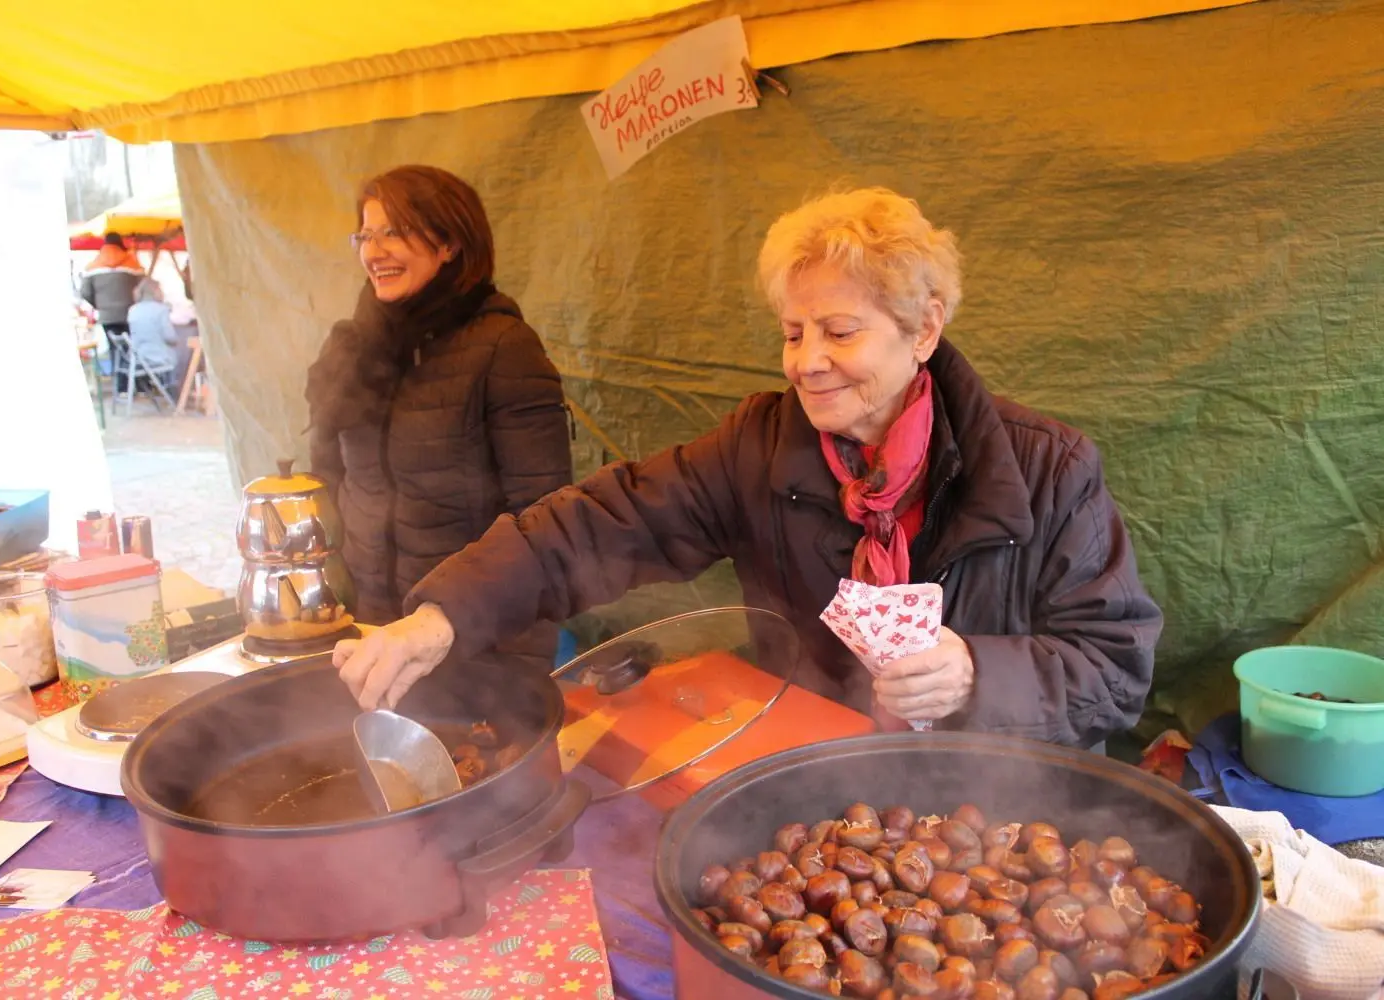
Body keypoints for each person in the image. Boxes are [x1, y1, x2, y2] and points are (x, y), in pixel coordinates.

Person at [333, 187, 1164, 750]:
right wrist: (441, 616)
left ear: (922, 330)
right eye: (792, 333)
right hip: (813, 771)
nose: (807, 363)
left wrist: (976, 673)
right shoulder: (760, 448)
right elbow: (597, 522)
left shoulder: (1047, 469)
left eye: (839, 331)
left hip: (1000, 806)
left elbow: (1116, 670)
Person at [307, 165, 573, 669]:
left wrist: (510, 651)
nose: (374, 250)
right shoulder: (355, 349)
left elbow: (543, 515)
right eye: (365, 235)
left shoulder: (502, 346)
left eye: (394, 232)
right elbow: (328, 479)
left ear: (450, 243)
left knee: (465, 751)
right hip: (369, 622)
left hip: (474, 634)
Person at [79, 233, 145, 390]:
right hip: (131, 314)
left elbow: (85, 292)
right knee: (133, 348)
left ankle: (121, 387)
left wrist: (99, 304)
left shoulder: (93, 266)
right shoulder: (131, 262)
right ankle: (138, 384)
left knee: (115, 348)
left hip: (107, 316)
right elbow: (143, 285)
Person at [126, 278, 180, 376]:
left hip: (138, 358)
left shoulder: (132, 310)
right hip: (160, 358)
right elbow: (170, 337)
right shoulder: (161, 310)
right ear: (155, 291)